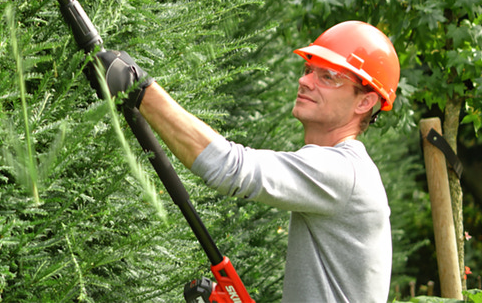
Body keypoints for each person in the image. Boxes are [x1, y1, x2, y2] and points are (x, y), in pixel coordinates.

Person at [95, 20, 401, 303]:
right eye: (309, 69)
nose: (305, 81)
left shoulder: (344, 173)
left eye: (328, 76)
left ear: (365, 101)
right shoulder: (343, 171)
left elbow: (230, 168)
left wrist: (138, 87)